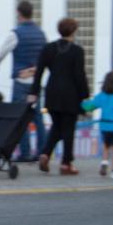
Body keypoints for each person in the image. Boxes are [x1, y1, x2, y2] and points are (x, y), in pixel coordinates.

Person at [0, 1, 47, 162]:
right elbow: (45, 57)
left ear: (18, 13)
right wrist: (34, 70)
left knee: (19, 118)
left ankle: (25, 152)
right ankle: (42, 152)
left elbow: (0, 54)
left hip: (20, 82)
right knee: (37, 117)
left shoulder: (16, 34)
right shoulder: (41, 34)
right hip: (36, 83)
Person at [29, 17, 90, 175]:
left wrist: (33, 92)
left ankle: (45, 154)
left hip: (52, 92)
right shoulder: (77, 51)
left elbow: (39, 72)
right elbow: (79, 75)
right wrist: (85, 96)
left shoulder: (48, 48)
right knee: (68, 128)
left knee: (57, 126)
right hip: (71, 95)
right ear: (74, 31)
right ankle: (66, 163)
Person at [82, 71, 113, 179]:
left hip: (104, 126)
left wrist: (82, 103)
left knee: (105, 146)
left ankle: (104, 162)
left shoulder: (102, 96)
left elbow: (90, 106)